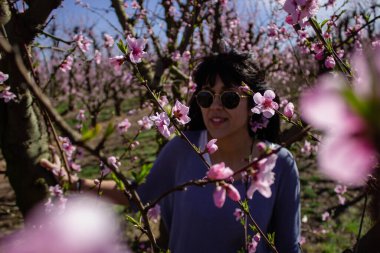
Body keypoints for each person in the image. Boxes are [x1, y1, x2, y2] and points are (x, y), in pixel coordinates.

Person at [42, 51, 300, 253]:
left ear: (254, 104)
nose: (216, 107)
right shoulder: (183, 149)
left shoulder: (278, 163)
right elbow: (140, 196)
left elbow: (287, 247)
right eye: (207, 97)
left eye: (230, 98)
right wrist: (73, 183)